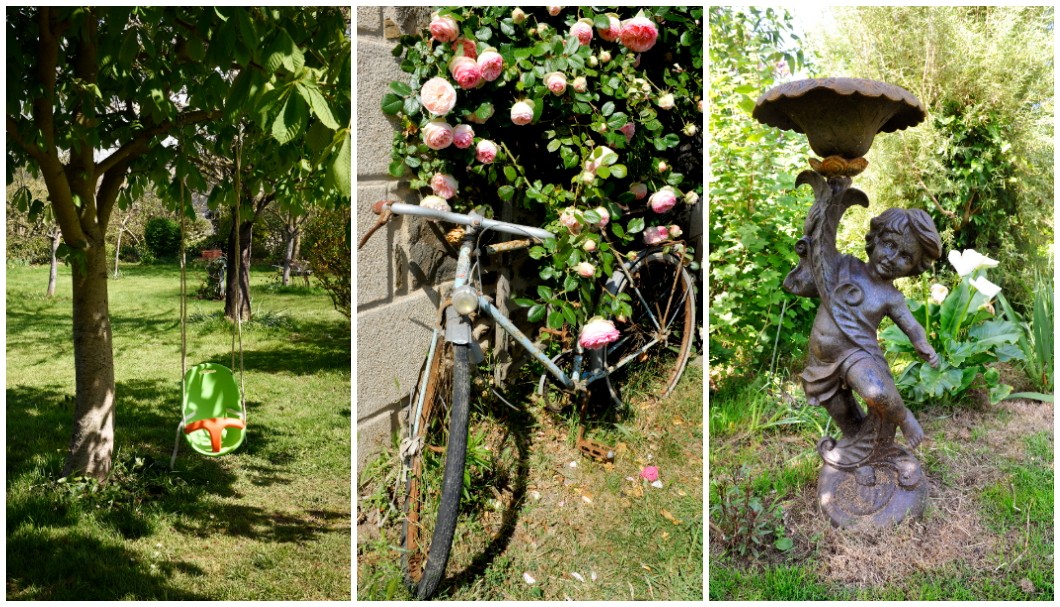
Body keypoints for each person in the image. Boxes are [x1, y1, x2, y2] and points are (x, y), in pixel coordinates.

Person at [789, 182, 942, 452]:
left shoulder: (890, 297)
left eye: (905, 256)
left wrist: (922, 344)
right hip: (821, 361)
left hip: (855, 353)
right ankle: (860, 453)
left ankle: (905, 419)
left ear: (914, 268)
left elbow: (911, 325)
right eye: (889, 245)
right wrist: (808, 245)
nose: (892, 257)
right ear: (876, 239)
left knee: (877, 392)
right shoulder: (845, 266)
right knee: (844, 416)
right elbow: (809, 278)